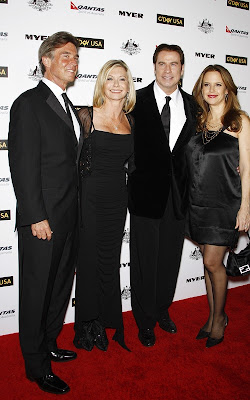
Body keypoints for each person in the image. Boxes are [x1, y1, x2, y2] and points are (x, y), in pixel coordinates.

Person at [8, 32, 80, 394]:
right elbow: (22, 165)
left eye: (76, 57)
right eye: (65, 55)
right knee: (36, 293)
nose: (73, 62)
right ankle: (36, 367)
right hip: (43, 222)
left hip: (69, 219)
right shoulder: (29, 103)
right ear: (46, 59)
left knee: (57, 290)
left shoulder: (69, 105)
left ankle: (49, 343)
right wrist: (36, 216)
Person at [127, 44, 197, 347]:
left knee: (170, 260)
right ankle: (144, 320)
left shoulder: (195, 106)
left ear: (182, 69)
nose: (168, 70)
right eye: (162, 63)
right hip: (144, 196)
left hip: (178, 198)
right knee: (144, 261)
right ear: (154, 67)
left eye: (174, 64)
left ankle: (161, 310)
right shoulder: (135, 101)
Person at [186, 64, 250, 348]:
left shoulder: (240, 122)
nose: (211, 91)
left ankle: (220, 318)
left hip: (226, 203)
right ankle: (212, 318)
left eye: (218, 85)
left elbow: (247, 169)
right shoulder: (197, 122)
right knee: (207, 263)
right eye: (206, 85)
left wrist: (245, 207)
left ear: (227, 90)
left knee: (214, 262)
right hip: (198, 202)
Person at [74, 60, 135, 352]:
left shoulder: (131, 121)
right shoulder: (85, 115)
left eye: (121, 79)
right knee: (88, 260)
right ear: (102, 83)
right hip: (89, 196)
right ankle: (88, 324)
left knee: (110, 260)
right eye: (110, 78)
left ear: (128, 86)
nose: (115, 84)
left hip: (117, 199)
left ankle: (106, 317)